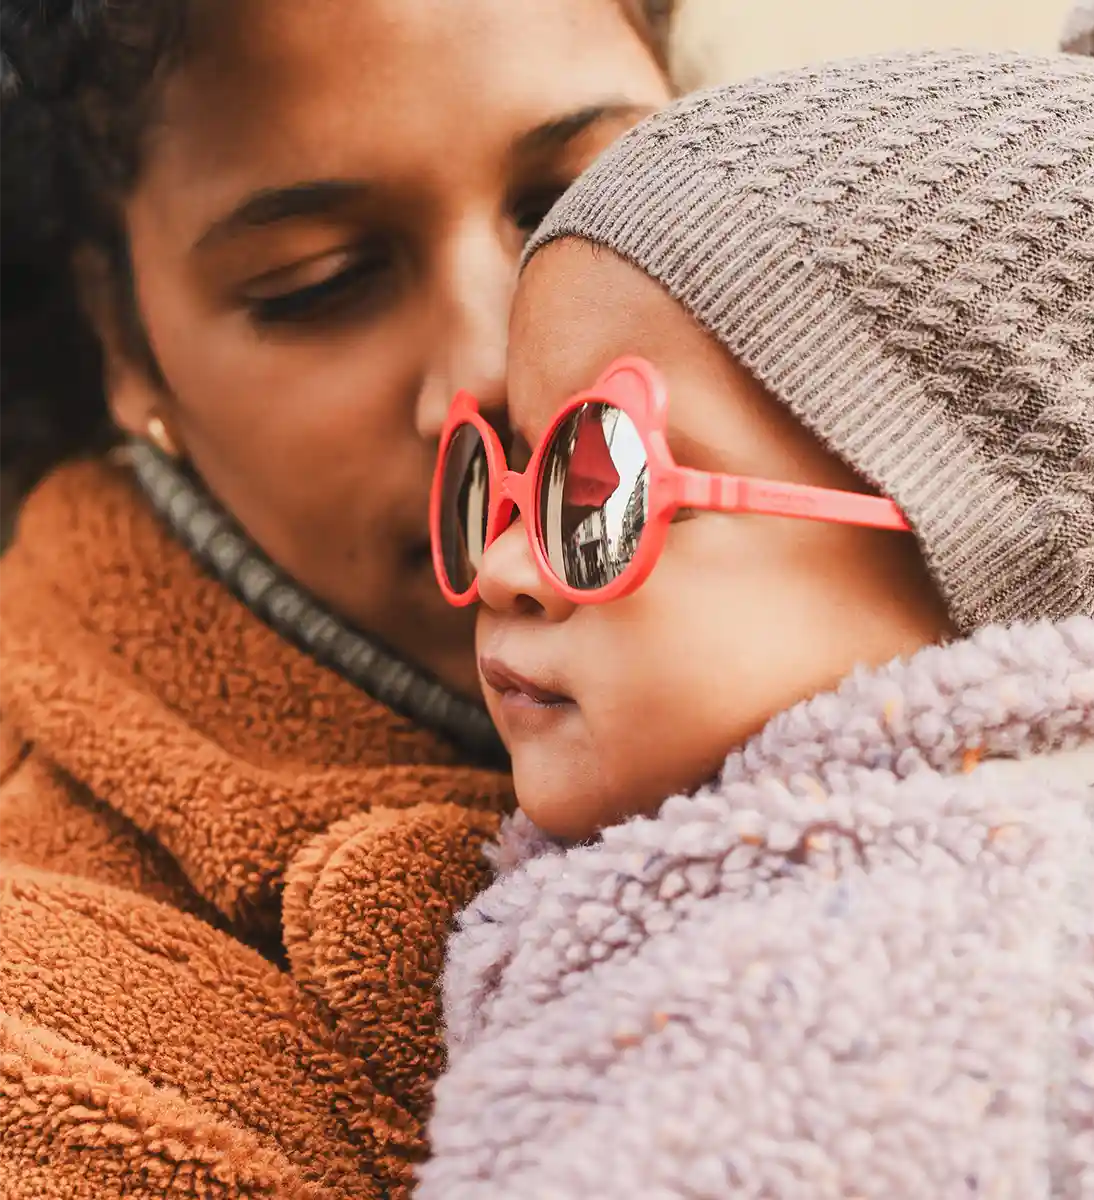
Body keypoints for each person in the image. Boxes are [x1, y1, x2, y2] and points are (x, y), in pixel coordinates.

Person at [417, 50, 1094, 1197]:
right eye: (514, 475)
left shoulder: (902, 1003)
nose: (502, 564)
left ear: (985, 549)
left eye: (605, 485)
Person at [0, 0, 675, 1195]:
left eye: (581, 198)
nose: (493, 364)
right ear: (125, 340)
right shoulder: (54, 1033)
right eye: (316, 284)